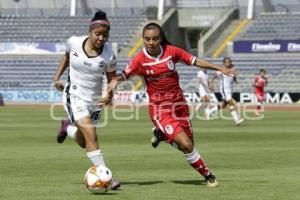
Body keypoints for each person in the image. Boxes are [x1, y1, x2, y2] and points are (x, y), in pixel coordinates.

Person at [100, 22, 237, 187]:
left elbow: (195, 61)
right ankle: (208, 176)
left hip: (180, 106)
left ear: (161, 38)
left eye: (155, 39)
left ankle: (162, 135)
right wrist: (115, 80)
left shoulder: (172, 52)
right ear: (143, 39)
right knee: (186, 145)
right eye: (147, 39)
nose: (151, 43)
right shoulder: (139, 60)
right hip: (160, 109)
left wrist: (219, 68)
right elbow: (125, 73)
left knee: (188, 146)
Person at [53, 10, 120, 189]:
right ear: (90, 31)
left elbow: (112, 78)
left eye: (105, 35)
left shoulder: (109, 55)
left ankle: (67, 127)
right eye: (98, 34)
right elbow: (66, 57)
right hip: (74, 96)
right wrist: (57, 77)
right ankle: (104, 176)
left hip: (95, 101)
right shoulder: (73, 42)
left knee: (84, 141)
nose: (101, 38)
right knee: (92, 135)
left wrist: (109, 96)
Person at [209, 57, 244, 126]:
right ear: (224, 63)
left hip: (230, 90)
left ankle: (210, 111)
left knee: (223, 105)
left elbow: (233, 78)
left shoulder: (232, 70)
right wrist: (212, 85)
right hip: (224, 90)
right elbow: (213, 77)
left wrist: (236, 81)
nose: (228, 63)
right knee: (232, 104)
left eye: (229, 62)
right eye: (226, 62)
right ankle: (236, 120)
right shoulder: (221, 70)